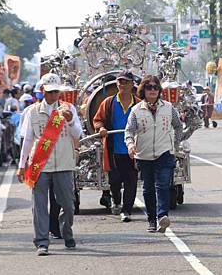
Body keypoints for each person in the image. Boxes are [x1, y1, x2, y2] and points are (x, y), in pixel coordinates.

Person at [16, 72, 82, 256]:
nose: (53, 95)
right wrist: (22, 165)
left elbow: (78, 134)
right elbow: (28, 140)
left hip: (64, 163)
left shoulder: (69, 108)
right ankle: (42, 241)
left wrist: (69, 121)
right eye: (50, 92)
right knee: (39, 205)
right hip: (39, 164)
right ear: (42, 90)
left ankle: (66, 232)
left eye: (56, 92)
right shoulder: (32, 111)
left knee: (68, 204)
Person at [125, 75, 182, 233]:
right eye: (149, 87)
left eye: (155, 87)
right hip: (144, 155)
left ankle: (162, 216)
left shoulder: (168, 108)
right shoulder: (136, 110)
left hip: (165, 152)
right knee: (148, 189)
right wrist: (130, 145)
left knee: (163, 184)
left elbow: (178, 126)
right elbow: (129, 131)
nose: (152, 90)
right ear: (143, 90)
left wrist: (175, 144)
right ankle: (151, 219)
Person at [93, 70, 140, 222]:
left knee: (131, 181)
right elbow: (98, 120)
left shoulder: (139, 104)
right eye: (120, 81)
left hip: (133, 150)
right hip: (113, 149)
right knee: (114, 180)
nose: (122, 85)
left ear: (132, 84)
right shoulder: (108, 103)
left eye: (126, 82)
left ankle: (126, 210)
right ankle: (117, 202)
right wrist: (101, 128)